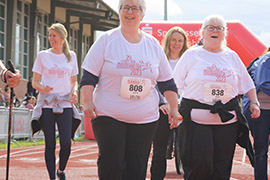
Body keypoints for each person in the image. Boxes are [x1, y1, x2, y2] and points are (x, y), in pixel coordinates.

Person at [80, 0, 180, 179]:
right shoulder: (107, 40)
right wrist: (87, 101)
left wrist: (173, 107)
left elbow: (167, 82)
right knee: (112, 164)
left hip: (144, 119)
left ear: (142, 14)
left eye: (135, 8)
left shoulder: (153, 45)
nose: (130, 12)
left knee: (136, 166)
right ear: (119, 12)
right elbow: (88, 75)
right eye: (125, 7)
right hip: (109, 115)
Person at [173, 14, 260, 180]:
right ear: (203, 32)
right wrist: (172, 107)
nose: (215, 31)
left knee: (222, 165)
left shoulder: (232, 56)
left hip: (227, 120)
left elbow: (247, 83)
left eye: (219, 28)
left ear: (224, 33)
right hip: (196, 120)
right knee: (200, 163)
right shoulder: (191, 55)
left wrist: (254, 102)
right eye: (210, 27)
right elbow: (174, 83)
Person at [31, 23, 81, 180]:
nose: (50, 38)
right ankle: (52, 177)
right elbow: (35, 81)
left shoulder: (71, 56)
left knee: (66, 141)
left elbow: (74, 81)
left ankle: (61, 170)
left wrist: (74, 92)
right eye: (49, 35)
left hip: (65, 103)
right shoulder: (42, 56)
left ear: (62, 37)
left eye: (53, 35)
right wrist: (42, 88)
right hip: (47, 104)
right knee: (50, 143)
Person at [150, 26, 189, 180]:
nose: (177, 43)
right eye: (174, 40)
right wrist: (162, 103)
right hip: (163, 110)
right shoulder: (159, 59)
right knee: (159, 149)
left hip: (184, 109)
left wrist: (180, 105)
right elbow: (154, 83)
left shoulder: (189, 59)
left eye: (180, 40)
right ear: (168, 41)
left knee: (187, 148)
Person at [243, 47, 270, 180]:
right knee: (261, 150)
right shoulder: (267, 59)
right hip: (260, 111)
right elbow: (263, 83)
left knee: (262, 149)